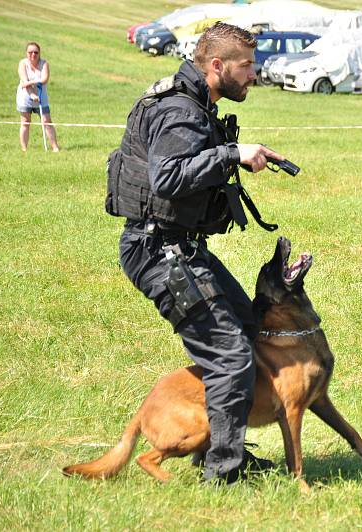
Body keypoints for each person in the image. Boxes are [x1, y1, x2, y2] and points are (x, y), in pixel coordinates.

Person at [107, 22, 285, 485]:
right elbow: (167, 177)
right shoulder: (180, 111)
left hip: (179, 244)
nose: (254, 74)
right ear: (217, 66)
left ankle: (220, 451)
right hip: (157, 249)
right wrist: (230, 155)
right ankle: (223, 476)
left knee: (247, 327)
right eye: (247, 66)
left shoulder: (195, 102)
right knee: (229, 353)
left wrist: (231, 151)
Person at [17, 42, 60, 152]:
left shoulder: (44, 63)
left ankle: (55, 148)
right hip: (25, 97)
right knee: (26, 121)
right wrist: (32, 94)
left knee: (47, 121)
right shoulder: (23, 63)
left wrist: (31, 82)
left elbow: (44, 79)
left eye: (35, 52)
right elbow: (24, 81)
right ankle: (24, 149)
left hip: (42, 97)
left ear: (39, 53)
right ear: (26, 53)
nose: (33, 54)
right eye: (30, 52)